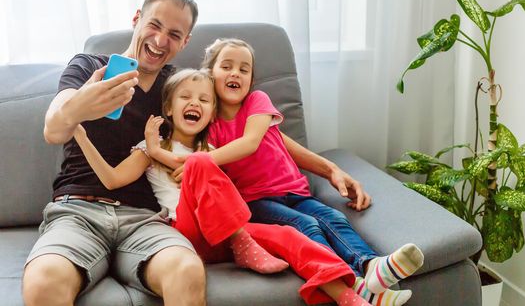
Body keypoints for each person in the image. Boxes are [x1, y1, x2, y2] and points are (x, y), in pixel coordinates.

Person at [74, 67, 411, 306]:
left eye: (205, 100)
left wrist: (328, 169)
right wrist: (82, 137)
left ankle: (354, 293)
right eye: (186, 97)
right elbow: (113, 180)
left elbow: (267, 142)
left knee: (290, 236)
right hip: (187, 233)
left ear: (212, 114)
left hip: (230, 233)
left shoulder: (215, 148)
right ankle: (243, 242)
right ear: (168, 108)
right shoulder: (151, 147)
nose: (195, 104)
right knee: (203, 164)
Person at [196, 38, 425, 296]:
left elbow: (261, 141)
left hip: (295, 191)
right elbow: (217, 165)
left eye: (244, 69)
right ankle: (350, 281)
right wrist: (199, 159)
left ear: (251, 80)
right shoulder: (210, 126)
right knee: (306, 224)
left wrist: (332, 170)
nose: (235, 72)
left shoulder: (257, 103)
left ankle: (370, 264)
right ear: (209, 74)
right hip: (256, 201)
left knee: (334, 218)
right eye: (226, 66)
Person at [23, 0, 206, 306]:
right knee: (43, 281)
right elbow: (53, 129)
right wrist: (81, 105)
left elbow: (222, 127)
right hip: (78, 210)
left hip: (145, 218)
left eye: (175, 34)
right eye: (154, 25)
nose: (161, 40)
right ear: (137, 18)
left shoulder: (177, 88)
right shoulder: (89, 67)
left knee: (187, 271)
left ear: (185, 42)